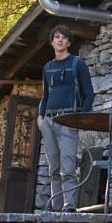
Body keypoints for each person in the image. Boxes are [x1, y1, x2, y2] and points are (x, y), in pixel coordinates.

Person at [37, 24, 95, 212]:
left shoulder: (77, 63)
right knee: (53, 167)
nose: (60, 40)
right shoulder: (47, 67)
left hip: (69, 119)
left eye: (63, 37)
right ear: (52, 41)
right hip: (49, 120)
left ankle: (69, 207)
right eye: (56, 37)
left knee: (68, 167)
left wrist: (81, 119)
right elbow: (45, 96)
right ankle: (55, 206)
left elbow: (89, 94)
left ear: (69, 42)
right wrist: (40, 116)